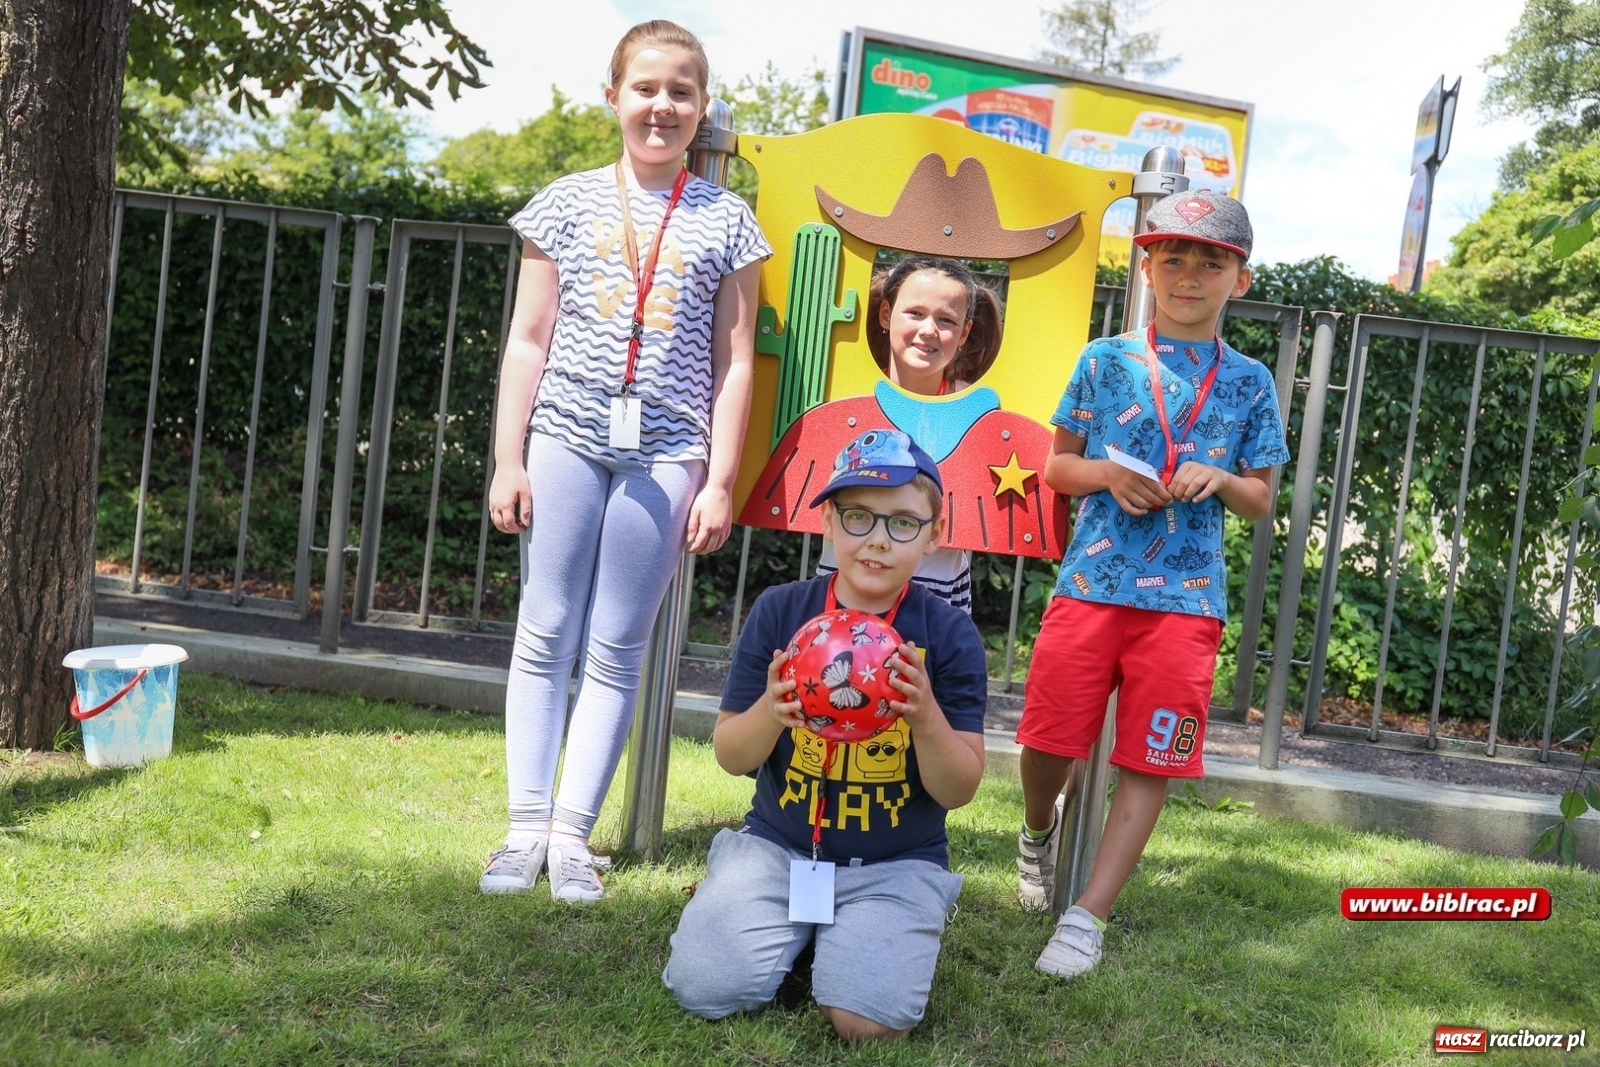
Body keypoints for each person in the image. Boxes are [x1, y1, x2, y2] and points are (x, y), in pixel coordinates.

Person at [479, 19, 771, 902]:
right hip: (564, 437)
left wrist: (718, 478)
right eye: (645, 88)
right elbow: (528, 340)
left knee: (615, 646)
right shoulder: (563, 202)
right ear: (612, 97)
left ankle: (572, 836)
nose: (662, 106)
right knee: (544, 628)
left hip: (668, 453)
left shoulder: (730, 221)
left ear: (703, 107)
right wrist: (507, 458)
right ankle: (523, 826)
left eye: (681, 91)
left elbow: (737, 361)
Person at [1014, 189, 1290, 977]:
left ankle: (1086, 915)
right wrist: (1105, 472)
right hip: (1092, 586)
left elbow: (1262, 496)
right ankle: (1039, 832)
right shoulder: (1105, 361)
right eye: (1174, 256)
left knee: (1148, 760)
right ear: (1147, 266)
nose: (1191, 274)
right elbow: (1057, 467)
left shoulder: (1249, 382)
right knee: (1045, 740)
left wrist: (1221, 477)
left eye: (1212, 261)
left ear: (1239, 278)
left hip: (1185, 602)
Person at [663, 429, 988, 1041]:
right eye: (859, 516)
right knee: (703, 988)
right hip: (779, 849)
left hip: (895, 862)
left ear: (934, 534)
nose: (877, 540)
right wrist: (773, 709)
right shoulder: (782, 612)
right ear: (829, 525)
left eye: (903, 523)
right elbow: (733, 756)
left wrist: (925, 717)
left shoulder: (948, 635)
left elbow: (960, 788)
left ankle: (876, 927)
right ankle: (799, 923)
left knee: (869, 1021)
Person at [813, 256, 1004, 613]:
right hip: (848, 577)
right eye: (915, 313)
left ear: (964, 333)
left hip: (937, 587)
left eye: (946, 320)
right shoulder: (849, 398)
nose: (929, 329)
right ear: (886, 315)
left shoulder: (979, 408)